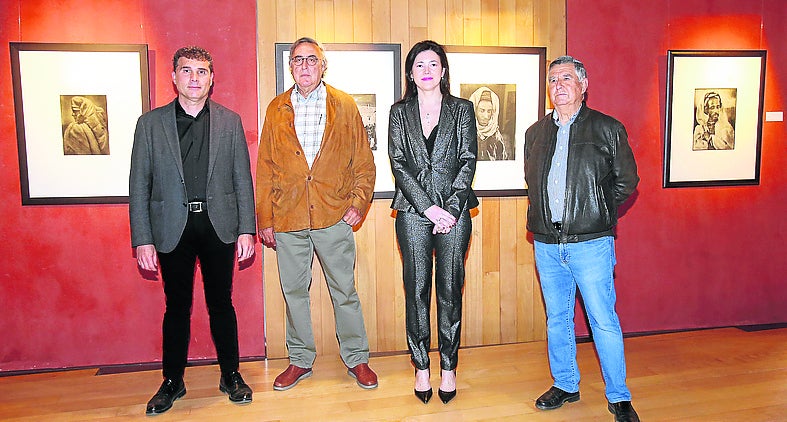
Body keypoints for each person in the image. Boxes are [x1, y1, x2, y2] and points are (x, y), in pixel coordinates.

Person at [129, 46, 256, 415]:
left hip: (219, 226)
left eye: (202, 71)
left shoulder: (230, 121)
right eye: (186, 71)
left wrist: (246, 229)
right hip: (172, 228)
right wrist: (142, 239)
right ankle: (173, 380)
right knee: (176, 308)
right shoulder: (150, 125)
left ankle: (231, 374)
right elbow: (139, 185)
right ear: (174, 77)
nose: (194, 78)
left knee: (222, 304)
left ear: (212, 78)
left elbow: (242, 180)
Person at [256, 37, 378, 392]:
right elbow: (264, 167)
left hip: (334, 216)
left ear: (323, 66)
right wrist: (265, 218)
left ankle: (357, 358)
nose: (305, 66)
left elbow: (363, 162)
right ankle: (299, 360)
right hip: (288, 218)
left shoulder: (344, 105)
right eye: (298, 60)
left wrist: (358, 202)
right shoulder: (276, 108)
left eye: (312, 59)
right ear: (290, 67)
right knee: (294, 291)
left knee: (345, 291)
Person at [524, 56, 640, 422]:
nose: (559, 85)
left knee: (603, 320)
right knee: (557, 319)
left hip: (591, 244)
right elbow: (533, 184)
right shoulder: (535, 133)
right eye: (553, 79)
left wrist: (597, 213)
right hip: (546, 243)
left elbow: (627, 183)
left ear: (583, 85)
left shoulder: (608, 129)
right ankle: (566, 384)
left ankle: (619, 397)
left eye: (567, 78)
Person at [388, 40, 478, 405]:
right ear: (410, 73)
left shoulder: (463, 109)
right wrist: (427, 208)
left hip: (455, 212)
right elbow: (398, 163)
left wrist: (451, 209)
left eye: (433, 63)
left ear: (443, 71)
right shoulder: (398, 112)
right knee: (417, 289)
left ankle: (449, 366)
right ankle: (421, 365)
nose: (426, 69)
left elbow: (468, 160)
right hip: (412, 212)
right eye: (419, 64)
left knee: (450, 290)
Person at [468, 86, 508, 160]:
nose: (486, 116)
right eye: (482, 110)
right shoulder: (465, 135)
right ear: (474, 110)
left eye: (489, 111)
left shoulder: (498, 139)